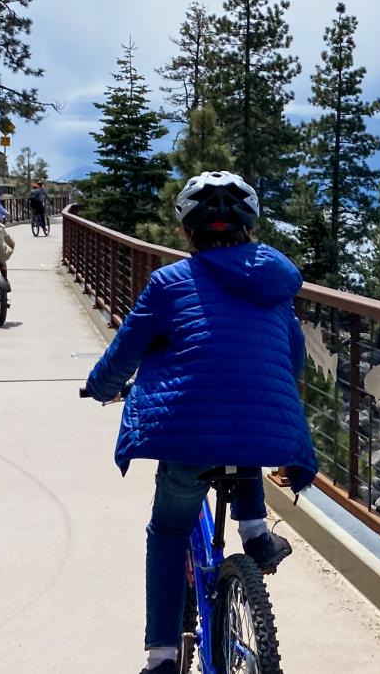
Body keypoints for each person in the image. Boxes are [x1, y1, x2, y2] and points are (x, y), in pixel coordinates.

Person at [84, 171, 318, 674]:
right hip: (263, 427)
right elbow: (292, 356)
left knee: (168, 530)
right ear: (249, 228)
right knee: (241, 431)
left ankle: (162, 655)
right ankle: (254, 530)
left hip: (189, 440)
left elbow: (126, 350)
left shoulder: (168, 283)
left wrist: (100, 387)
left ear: (187, 231)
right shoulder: (275, 285)